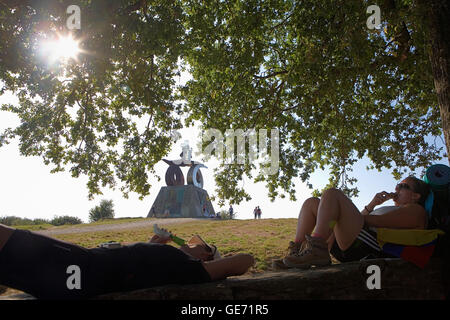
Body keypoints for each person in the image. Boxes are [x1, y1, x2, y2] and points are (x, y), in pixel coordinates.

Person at [0, 224, 254, 299]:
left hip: (81, 270)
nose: (187, 243)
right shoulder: (172, 261)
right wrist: (157, 243)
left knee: (10, 241)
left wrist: (205, 263)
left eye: (195, 244)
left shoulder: (190, 268)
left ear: (206, 255)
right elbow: (139, 261)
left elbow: (245, 260)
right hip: (81, 269)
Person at [274, 176, 430, 269]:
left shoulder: (416, 210)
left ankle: (317, 247)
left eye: (403, 186)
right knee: (312, 203)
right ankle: (296, 252)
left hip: (371, 250)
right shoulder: (389, 208)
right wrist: (371, 205)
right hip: (354, 242)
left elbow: (376, 222)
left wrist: (339, 214)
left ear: (416, 196)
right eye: (397, 184)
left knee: (332, 194)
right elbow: (359, 223)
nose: (396, 188)